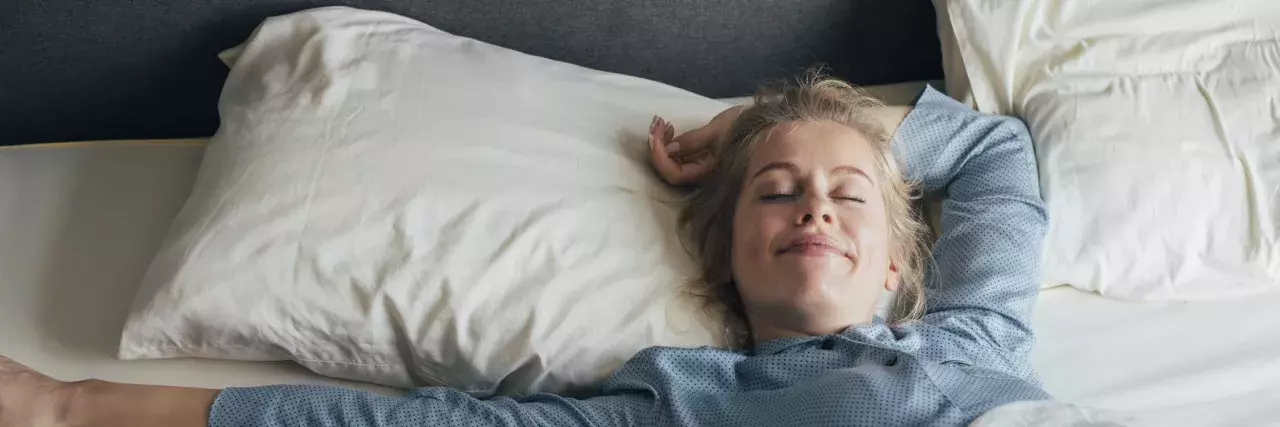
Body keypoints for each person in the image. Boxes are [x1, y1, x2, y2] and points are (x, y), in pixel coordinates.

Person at [0, 73, 1049, 427]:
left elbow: (995, 150)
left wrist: (751, 122)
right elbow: (403, 424)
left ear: (899, 264)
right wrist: (69, 406)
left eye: (846, 194)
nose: (812, 208)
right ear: (727, 255)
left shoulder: (978, 330)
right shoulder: (680, 397)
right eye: (773, 195)